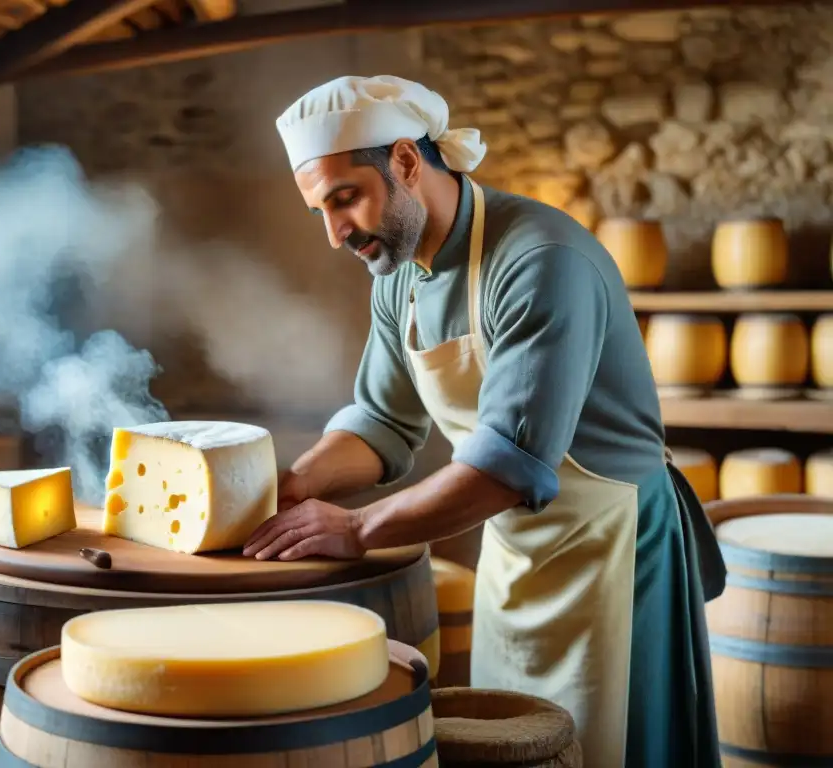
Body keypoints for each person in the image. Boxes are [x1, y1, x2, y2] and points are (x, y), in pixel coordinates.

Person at [242, 74, 726, 768]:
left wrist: (355, 528)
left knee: (613, 750)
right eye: (320, 209)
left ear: (406, 162)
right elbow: (382, 422)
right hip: (518, 557)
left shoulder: (538, 261)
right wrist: (291, 485)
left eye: (344, 199)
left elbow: (507, 466)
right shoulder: (400, 273)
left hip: (615, 557)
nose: (334, 233)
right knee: (521, 748)